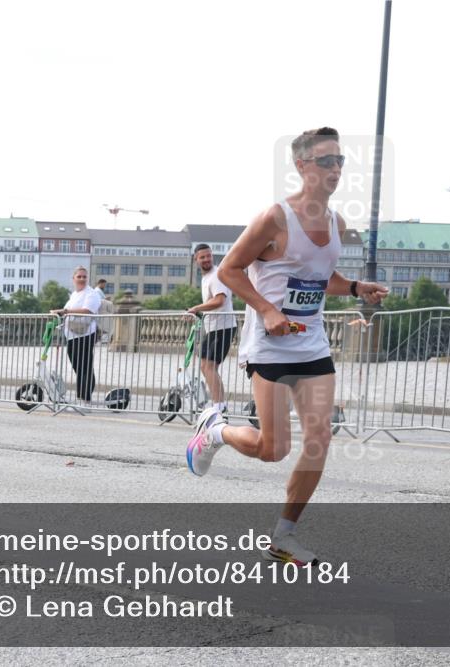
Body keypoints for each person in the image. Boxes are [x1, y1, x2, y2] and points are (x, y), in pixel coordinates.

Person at [186, 127, 388, 565]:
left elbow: (319, 278)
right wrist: (266, 310)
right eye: (326, 161)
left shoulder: (336, 223)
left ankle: (284, 535)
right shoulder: (275, 218)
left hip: (312, 345)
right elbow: (230, 270)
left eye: (339, 161)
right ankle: (215, 432)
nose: (336, 169)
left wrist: (355, 286)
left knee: (319, 439)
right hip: (269, 347)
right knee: (272, 450)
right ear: (302, 166)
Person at [187, 243, 237, 413]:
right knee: (206, 366)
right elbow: (213, 302)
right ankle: (219, 405)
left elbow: (219, 300)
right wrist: (200, 314)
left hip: (223, 326)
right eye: (202, 257)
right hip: (215, 326)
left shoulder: (216, 275)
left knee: (208, 366)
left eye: (208, 256)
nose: (206, 259)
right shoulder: (206, 277)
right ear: (196, 260)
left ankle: (219, 407)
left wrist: (196, 308)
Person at [50, 266, 102, 408]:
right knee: (78, 367)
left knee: (84, 366)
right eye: (79, 276)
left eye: (84, 277)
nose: (82, 279)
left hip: (85, 334)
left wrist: (64, 311)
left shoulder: (91, 294)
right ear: (73, 279)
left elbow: (87, 310)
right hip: (72, 335)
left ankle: (84, 397)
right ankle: (83, 396)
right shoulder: (74, 295)